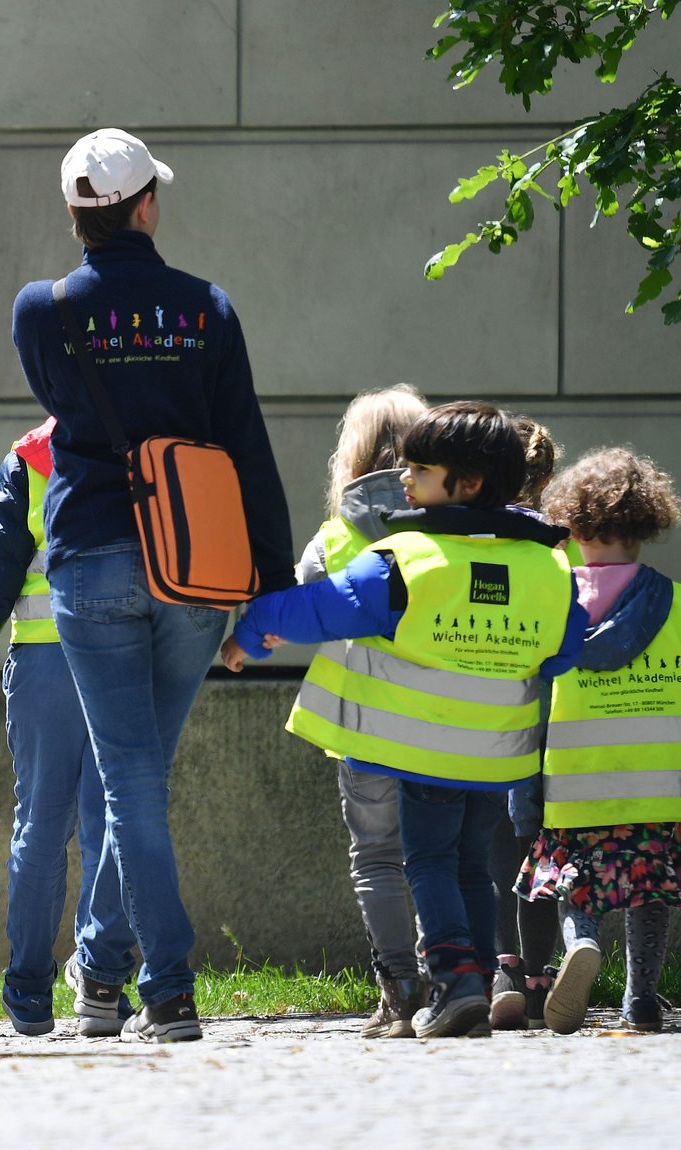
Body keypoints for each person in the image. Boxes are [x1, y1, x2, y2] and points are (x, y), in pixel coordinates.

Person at [12, 128, 294, 1043]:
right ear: (146, 206)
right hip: (199, 564)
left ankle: (129, 980)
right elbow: (244, 445)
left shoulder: (40, 310)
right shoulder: (206, 307)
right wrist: (273, 586)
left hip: (91, 556)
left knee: (133, 782)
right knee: (141, 777)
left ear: (74, 213)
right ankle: (135, 981)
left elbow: (66, 412)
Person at [223, 402, 587, 1038]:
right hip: (497, 757)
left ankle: (451, 982)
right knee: (474, 866)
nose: (405, 479)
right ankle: (473, 981)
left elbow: (324, 608)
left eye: (420, 470)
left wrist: (251, 632)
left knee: (427, 863)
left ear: (467, 484)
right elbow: (566, 646)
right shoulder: (548, 565)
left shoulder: (407, 558)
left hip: (422, 752)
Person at [0, 417, 123, 1036]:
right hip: (121, 659)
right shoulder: (143, 442)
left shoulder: (31, 458)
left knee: (41, 824)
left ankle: (30, 990)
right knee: (112, 821)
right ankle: (100, 982)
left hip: (43, 659)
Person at [516, 447, 681, 1035]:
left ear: (571, 527)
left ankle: (581, 946)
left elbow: (533, 703)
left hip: (575, 783)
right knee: (649, 887)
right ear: (646, 522)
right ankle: (641, 999)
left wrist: (522, 787)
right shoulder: (678, 604)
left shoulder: (553, 605)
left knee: (578, 881)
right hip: (661, 783)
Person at [292, 384, 432, 1038]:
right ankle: (459, 976)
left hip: (366, 728)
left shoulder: (336, 536)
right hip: (446, 725)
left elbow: (306, 600)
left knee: (377, 856)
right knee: (440, 853)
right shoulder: (448, 529)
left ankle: (398, 988)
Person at [491, 412, 565, 1030]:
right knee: (534, 848)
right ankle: (541, 975)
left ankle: (501, 970)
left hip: (482, 720)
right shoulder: (556, 550)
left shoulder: (471, 542)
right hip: (548, 727)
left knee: (486, 846)